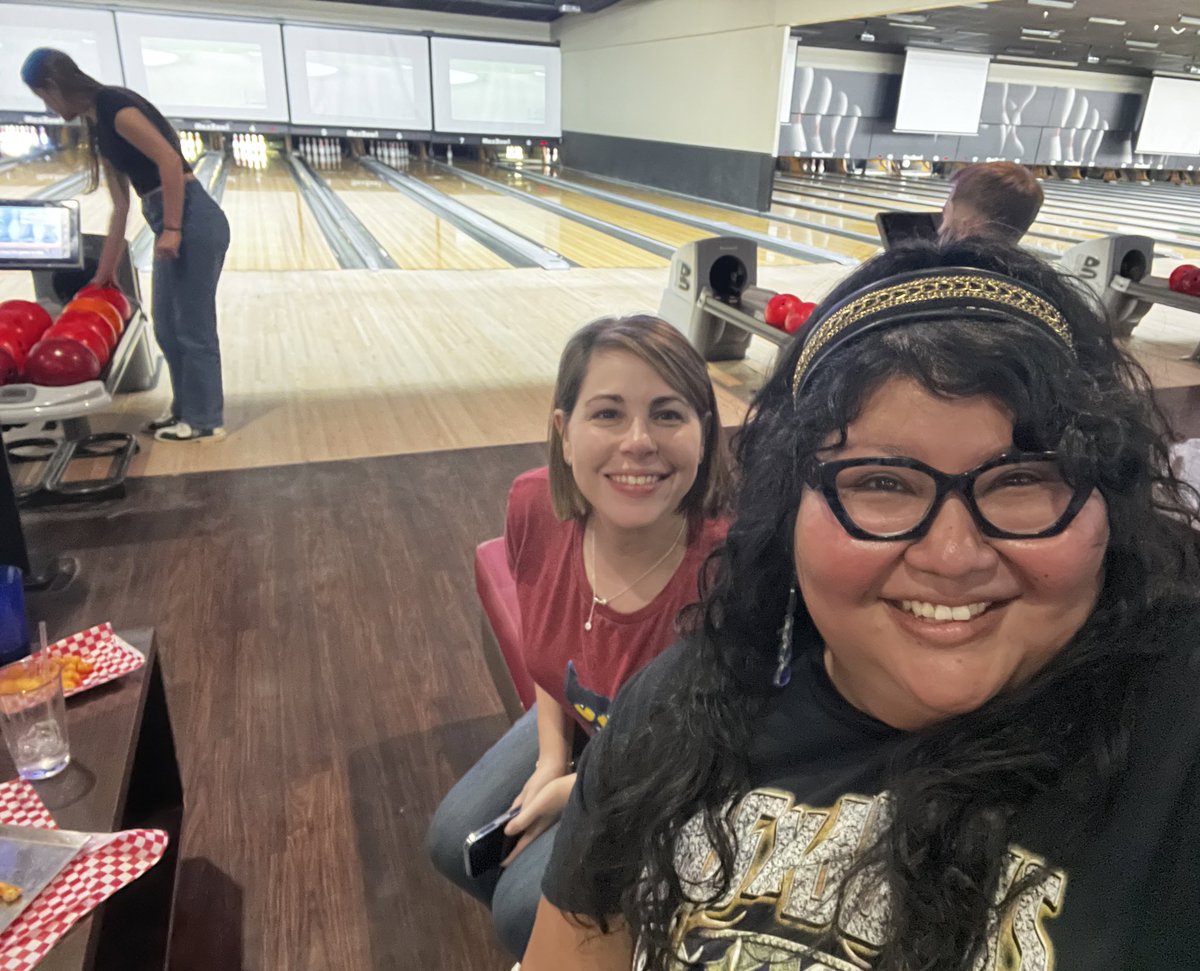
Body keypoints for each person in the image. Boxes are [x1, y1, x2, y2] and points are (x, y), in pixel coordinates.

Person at [523, 239, 1200, 971]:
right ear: (791, 507)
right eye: (879, 483)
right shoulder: (673, 705)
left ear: (1110, 502)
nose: (953, 555)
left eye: (1024, 478)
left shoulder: (1175, 729)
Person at [426, 314, 731, 959]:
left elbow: (711, 753)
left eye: (669, 414)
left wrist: (571, 791)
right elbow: (552, 662)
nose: (639, 442)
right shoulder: (534, 507)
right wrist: (547, 759)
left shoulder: (729, 571)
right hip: (593, 735)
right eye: (608, 414)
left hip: (685, 777)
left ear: (706, 432)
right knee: (453, 843)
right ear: (565, 433)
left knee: (519, 909)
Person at [21, 48, 230, 443]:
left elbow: (169, 161)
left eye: (42, 98)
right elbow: (120, 206)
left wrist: (172, 229)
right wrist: (105, 273)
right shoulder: (98, 124)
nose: (46, 108)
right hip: (170, 216)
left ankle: (206, 421)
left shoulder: (115, 105)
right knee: (167, 326)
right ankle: (183, 412)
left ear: (53, 86)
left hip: (193, 217)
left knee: (193, 327)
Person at [940, 160, 1044, 244]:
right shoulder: (1024, 269)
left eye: (945, 214)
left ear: (966, 228)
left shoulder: (938, 269)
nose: (940, 227)